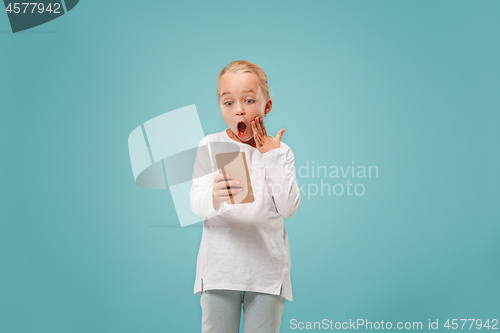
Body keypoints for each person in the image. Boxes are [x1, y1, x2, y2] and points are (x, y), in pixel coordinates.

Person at [190, 60, 301, 333]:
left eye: (249, 100)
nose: (239, 109)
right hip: (219, 271)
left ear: (267, 106)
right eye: (229, 103)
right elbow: (196, 203)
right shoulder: (210, 145)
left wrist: (272, 156)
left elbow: (288, 208)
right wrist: (215, 196)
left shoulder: (281, 152)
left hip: (267, 273)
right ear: (220, 106)